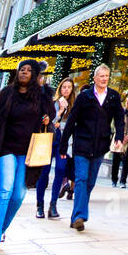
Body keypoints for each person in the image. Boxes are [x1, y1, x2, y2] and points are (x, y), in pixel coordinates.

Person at [0, 59, 54, 255]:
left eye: (29, 70)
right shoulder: (7, 94)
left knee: (18, 195)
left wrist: (47, 117)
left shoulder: (41, 95)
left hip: (28, 152)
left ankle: (1, 229)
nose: (24, 72)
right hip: (5, 149)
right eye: (22, 69)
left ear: (35, 74)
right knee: (4, 192)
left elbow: (51, 114)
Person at [60, 63, 125, 232]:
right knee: (81, 179)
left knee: (90, 182)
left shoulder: (113, 97)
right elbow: (72, 120)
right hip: (82, 144)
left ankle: (76, 216)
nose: (104, 79)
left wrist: (119, 136)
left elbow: (119, 118)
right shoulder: (85, 97)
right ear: (95, 78)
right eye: (101, 76)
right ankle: (80, 216)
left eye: (107, 76)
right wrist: (63, 145)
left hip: (100, 146)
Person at [36, 76, 76, 219]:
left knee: (60, 170)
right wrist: (59, 113)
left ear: (72, 90)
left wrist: (62, 124)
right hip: (48, 141)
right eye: (64, 87)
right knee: (44, 173)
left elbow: (74, 125)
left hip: (63, 143)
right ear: (60, 88)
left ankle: (53, 205)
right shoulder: (52, 103)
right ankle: (39, 205)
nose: (66, 89)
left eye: (69, 87)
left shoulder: (75, 105)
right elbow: (46, 120)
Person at [111, 95, 128, 188]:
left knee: (126, 161)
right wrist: (120, 134)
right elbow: (116, 124)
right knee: (116, 160)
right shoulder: (121, 111)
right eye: (126, 101)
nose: (127, 103)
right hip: (119, 138)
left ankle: (123, 181)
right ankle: (114, 180)